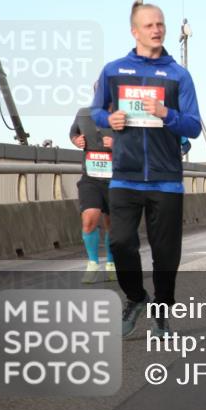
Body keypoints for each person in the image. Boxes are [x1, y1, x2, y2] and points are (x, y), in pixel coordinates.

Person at [92, 1, 202, 338]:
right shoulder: (113, 71)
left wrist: (166, 113)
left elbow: (194, 126)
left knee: (165, 255)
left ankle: (161, 311)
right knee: (122, 243)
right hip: (125, 176)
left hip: (166, 179)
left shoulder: (178, 75)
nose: (157, 30)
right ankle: (137, 298)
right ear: (134, 31)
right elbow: (95, 111)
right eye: (150, 25)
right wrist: (108, 119)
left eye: (160, 24)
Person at [70, 101, 116, 284]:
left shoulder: (124, 115)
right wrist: (76, 140)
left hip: (116, 179)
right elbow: (73, 131)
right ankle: (93, 263)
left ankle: (111, 263)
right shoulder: (83, 113)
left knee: (112, 225)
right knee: (89, 219)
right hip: (90, 178)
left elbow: (138, 143)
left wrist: (116, 144)